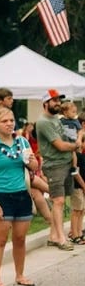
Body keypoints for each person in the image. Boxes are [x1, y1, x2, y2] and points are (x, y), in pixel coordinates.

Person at [0, 107, 37, 286]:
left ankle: (20, 274)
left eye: (11, 120)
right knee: (0, 239)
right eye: (4, 121)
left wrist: (31, 161)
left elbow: (33, 165)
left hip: (21, 194)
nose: (9, 124)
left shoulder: (22, 142)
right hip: (2, 195)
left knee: (20, 238)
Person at [36, 89, 78, 250]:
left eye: (59, 100)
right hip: (54, 165)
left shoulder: (56, 119)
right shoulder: (44, 122)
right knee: (58, 201)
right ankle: (61, 238)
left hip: (66, 163)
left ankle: (54, 236)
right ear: (45, 103)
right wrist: (76, 145)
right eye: (54, 100)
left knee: (60, 201)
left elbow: (65, 139)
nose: (58, 103)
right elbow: (60, 145)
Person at [59, 101, 85, 244]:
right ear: (64, 112)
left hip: (80, 184)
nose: (74, 112)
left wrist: (79, 137)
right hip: (77, 185)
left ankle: (79, 232)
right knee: (76, 210)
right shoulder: (61, 122)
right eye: (72, 110)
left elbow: (80, 132)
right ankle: (75, 234)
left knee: (80, 210)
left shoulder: (76, 123)